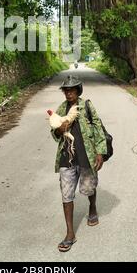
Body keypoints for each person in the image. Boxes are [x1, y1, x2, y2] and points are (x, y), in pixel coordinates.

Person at [50, 74, 107, 252]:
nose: (68, 93)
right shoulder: (61, 108)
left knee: (89, 188)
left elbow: (97, 126)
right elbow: (54, 133)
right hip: (67, 157)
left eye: (72, 90)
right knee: (66, 194)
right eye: (66, 90)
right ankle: (70, 234)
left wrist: (100, 152)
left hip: (87, 156)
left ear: (78, 90)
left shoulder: (87, 106)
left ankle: (92, 207)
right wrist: (59, 130)